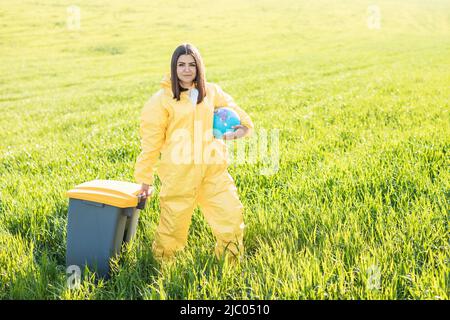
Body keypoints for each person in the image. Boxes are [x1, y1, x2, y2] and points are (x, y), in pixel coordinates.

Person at [134, 43, 254, 262]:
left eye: (192, 64)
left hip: (213, 171)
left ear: (199, 67)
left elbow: (233, 108)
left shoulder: (210, 92)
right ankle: (164, 268)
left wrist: (244, 126)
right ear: (174, 67)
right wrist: (144, 179)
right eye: (181, 64)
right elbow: (150, 145)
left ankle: (229, 265)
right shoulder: (161, 101)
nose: (187, 69)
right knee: (172, 229)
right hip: (179, 175)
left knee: (231, 218)